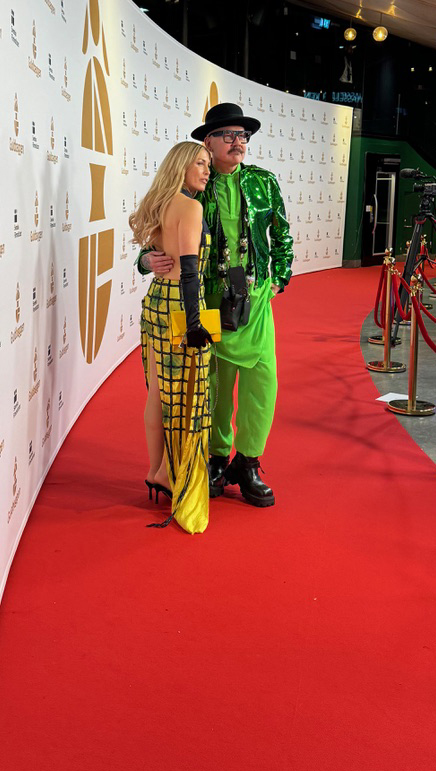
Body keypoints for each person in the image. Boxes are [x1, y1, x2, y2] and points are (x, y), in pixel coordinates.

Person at [141, 103, 293, 507]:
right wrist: (145, 261)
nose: (237, 142)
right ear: (207, 142)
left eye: (243, 135)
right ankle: (215, 458)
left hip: (255, 300)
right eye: (228, 135)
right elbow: (157, 233)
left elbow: (282, 235)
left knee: (262, 384)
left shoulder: (263, 182)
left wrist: (278, 280)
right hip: (206, 301)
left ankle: (248, 462)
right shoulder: (195, 183)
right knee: (214, 386)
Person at [129, 141, 214, 533]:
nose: (206, 170)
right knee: (189, 397)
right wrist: (195, 322)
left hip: (156, 303)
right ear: (181, 166)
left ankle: (157, 471)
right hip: (183, 307)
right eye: (200, 163)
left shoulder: (160, 203)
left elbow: (156, 255)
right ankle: (171, 474)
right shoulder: (191, 207)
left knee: (158, 393)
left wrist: (148, 260)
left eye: (208, 164)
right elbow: (190, 271)